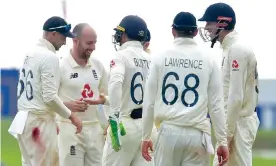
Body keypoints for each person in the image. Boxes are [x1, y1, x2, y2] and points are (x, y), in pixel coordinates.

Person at [141, 12, 229, 166]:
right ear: (195, 32)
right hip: (197, 134)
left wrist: (146, 136)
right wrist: (222, 141)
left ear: (173, 31)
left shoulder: (160, 57)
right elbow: (216, 105)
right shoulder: (209, 59)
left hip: (168, 131)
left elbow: (149, 102)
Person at [8, 16, 82, 166]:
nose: (64, 42)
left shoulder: (30, 53)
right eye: (63, 37)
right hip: (39, 121)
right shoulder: (49, 57)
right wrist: (72, 116)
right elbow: (49, 97)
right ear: (53, 34)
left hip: (24, 120)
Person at [198, 3, 260, 166]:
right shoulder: (228, 48)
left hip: (238, 124)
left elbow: (236, 97)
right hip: (233, 123)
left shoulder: (237, 50)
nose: (206, 28)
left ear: (222, 23)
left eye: (209, 23)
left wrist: (226, 137)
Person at [99, 15, 152, 166]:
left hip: (125, 124)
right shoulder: (150, 59)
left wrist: (114, 117)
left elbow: (116, 81)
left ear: (124, 34)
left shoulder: (120, 56)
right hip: (146, 127)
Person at [56, 23, 108, 166]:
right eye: (89, 43)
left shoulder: (98, 65)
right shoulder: (60, 66)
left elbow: (107, 97)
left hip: (95, 131)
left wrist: (109, 123)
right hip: (70, 130)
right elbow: (49, 99)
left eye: (95, 43)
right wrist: (69, 106)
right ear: (75, 40)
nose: (93, 47)